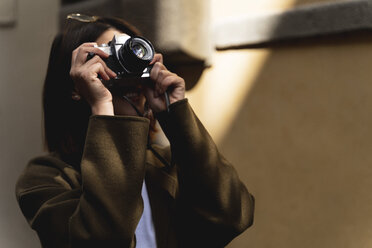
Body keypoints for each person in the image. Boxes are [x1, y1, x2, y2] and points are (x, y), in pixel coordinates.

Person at [15, 13, 254, 248]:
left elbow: (233, 217)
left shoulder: (165, 164)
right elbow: (104, 240)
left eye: (135, 55)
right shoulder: (46, 177)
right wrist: (102, 106)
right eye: (112, 58)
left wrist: (177, 114)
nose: (129, 74)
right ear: (76, 85)